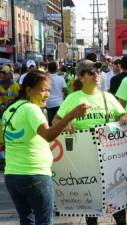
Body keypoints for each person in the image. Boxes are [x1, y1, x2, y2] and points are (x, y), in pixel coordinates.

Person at [3, 70, 88, 225]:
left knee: (27, 221)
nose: (47, 94)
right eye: (43, 90)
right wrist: (71, 115)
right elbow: (48, 135)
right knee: (44, 222)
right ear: (29, 90)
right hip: (35, 175)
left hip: (12, 176)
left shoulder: (11, 109)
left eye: (49, 90)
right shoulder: (32, 109)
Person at [52, 60, 127, 225]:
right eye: (91, 72)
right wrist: (66, 123)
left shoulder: (107, 97)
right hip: (84, 155)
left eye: (98, 71)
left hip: (108, 154)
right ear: (81, 77)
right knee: (90, 196)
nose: (96, 75)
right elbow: (55, 120)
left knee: (114, 194)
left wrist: (123, 117)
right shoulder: (74, 98)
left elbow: (124, 115)